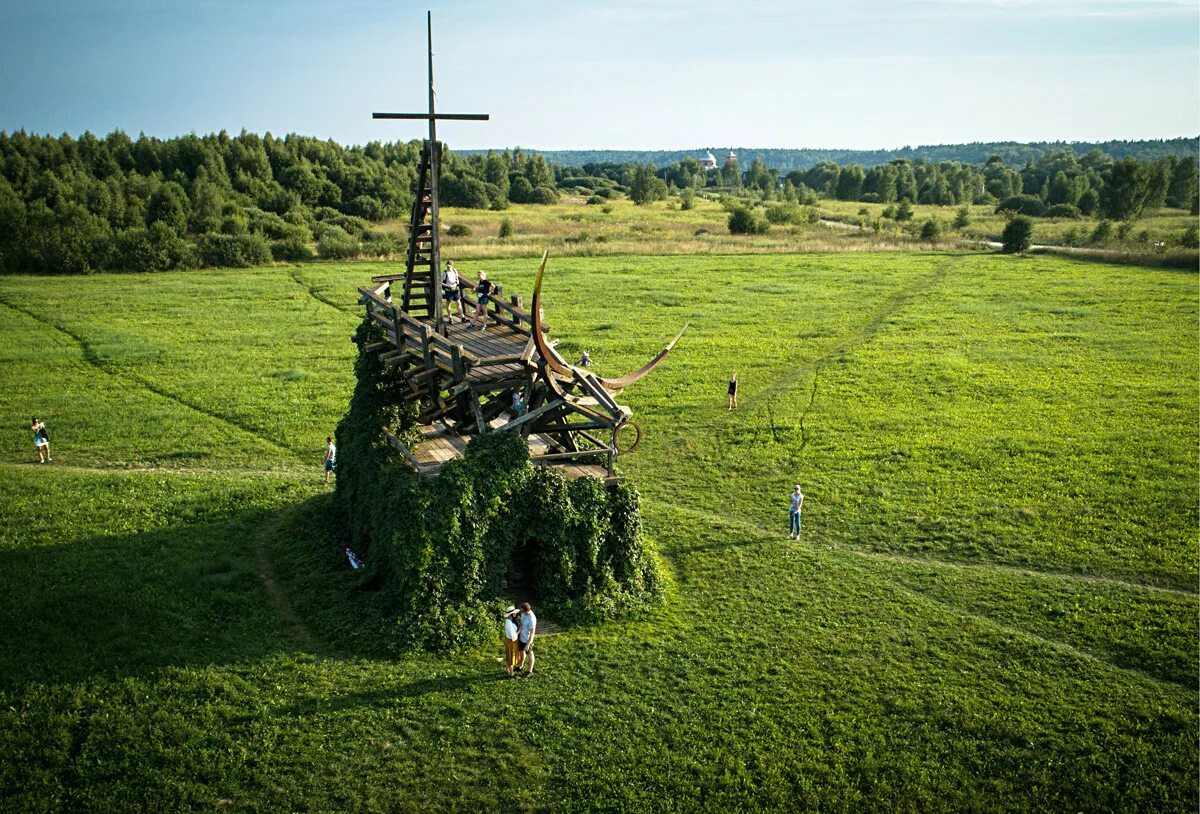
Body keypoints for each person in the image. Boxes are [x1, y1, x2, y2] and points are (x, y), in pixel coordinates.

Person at [516, 602, 537, 677]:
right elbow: (521, 624)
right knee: (521, 652)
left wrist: (528, 644)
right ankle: (520, 666)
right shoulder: (523, 613)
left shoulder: (532, 618)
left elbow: (532, 633)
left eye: (522, 611)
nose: (521, 612)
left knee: (530, 654)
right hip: (521, 637)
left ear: (526, 611)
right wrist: (519, 631)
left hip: (528, 640)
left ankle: (530, 671)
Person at [503, 606, 521, 678]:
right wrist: (519, 630)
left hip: (509, 640)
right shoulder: (509, 624)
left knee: (509, 655)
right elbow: (513, 636)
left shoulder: (510, 621)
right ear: (511, 614)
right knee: (511, 656)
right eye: (514, 613)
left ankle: (508, 670)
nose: (516, 614)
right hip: (511, 641)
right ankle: (512, 674)